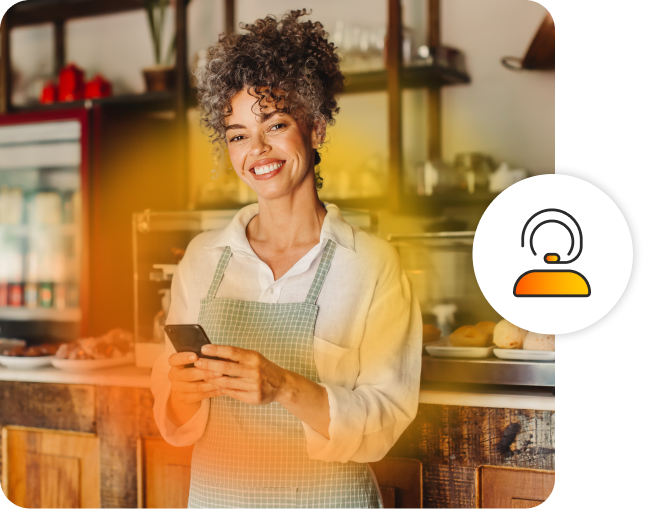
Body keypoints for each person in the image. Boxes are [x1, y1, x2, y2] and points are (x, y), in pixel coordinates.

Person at [151, 9, 422, 509]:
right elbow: (171, 418)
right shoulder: (201, 259)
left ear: (315, 128)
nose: (257, 149)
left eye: (275, 124)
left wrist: (283, 387)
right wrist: (185, 393)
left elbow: (385, 423)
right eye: (236, 134)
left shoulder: (372, 265)